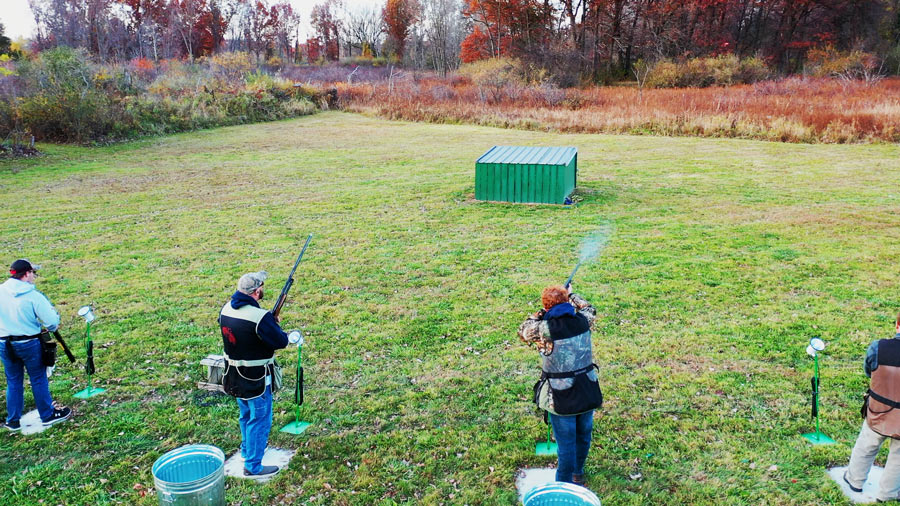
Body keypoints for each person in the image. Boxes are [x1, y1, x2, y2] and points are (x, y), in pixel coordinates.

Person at [519, 284, 602, 486]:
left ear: (547, 308)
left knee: (566, 446)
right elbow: (588, 308)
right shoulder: (584, 320)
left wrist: (541, 311)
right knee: (583, 436)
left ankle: (563, 484)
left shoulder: (543, 330)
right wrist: (571, 294)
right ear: (567, 303)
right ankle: (578, 474)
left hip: (560, 396)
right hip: (587, 390)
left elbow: (524, 330)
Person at [219, 271, 289, 477]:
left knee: (246, 414)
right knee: (260, 418)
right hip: (256, 377)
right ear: (257, 291)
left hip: (234, 375)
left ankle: (248, 450)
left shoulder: (226, 309)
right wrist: (274, 324)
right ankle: (253, 465)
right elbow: (281, 341)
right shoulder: (260, 317)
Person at [0, 259, 72, 431]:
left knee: (13, 380)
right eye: (33, 273)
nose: (34, 277)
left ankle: (13, 420)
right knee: (38, 378)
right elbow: (52, 322)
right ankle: (47, 415)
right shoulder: (33, 296)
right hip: (29, 343)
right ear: (26, 274)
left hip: (4, 343)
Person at [845, 312, 900, 501]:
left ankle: (855, 480)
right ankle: (888, 494)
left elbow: (869, 371)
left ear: (897, 325)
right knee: (898, 457)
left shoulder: (878, 348)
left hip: (878, 411)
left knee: (866, 445)